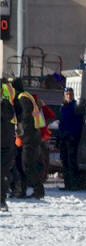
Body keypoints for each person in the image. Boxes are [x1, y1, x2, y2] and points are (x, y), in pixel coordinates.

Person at [11, 78, 45, 199]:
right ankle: (21, 190)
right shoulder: (25, 96)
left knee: (27, 165)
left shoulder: (23, 98)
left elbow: (26, 117)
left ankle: (38, 190)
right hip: (29, 135)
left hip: (29, 137)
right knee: (20, 165)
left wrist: (20, 131)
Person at [58, 87, 84, 190]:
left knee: (71, 161)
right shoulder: (63, 106)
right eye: (67, 94)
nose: (68, 96)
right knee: (64, 161)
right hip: (63, 137)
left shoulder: (75, 106)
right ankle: (67, 184)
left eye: (70, 94)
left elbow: (78, 123)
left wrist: (73, 135)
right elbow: (61, 122)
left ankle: (73, 184)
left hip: (72, 137)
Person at [1, 79, 16, 211]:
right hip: (5, 143)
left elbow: (9, 116)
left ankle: (1, 200)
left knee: (2, 174)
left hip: (5, 145)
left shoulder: (6, 105)